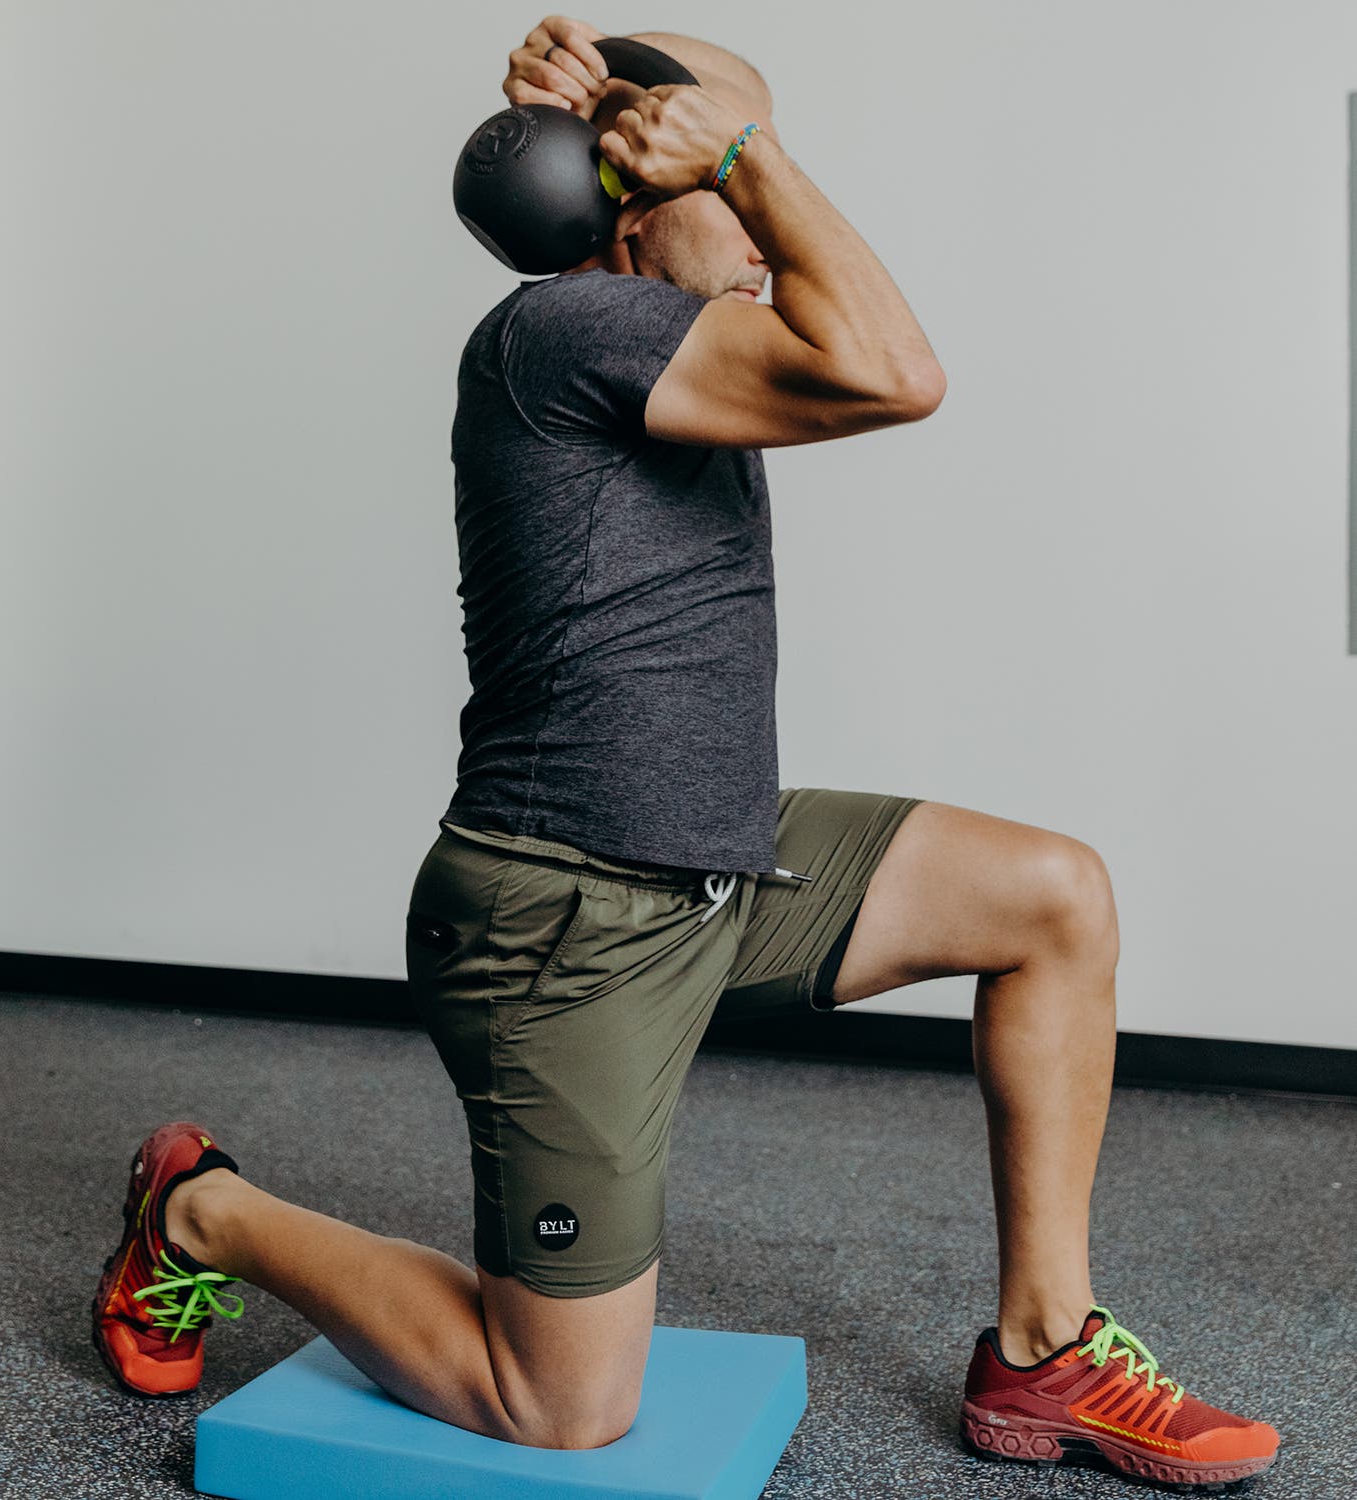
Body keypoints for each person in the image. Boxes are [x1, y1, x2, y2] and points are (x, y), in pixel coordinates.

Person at [91, 17, 1280, 1489]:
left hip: (712, 864)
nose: (773, 222)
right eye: (728, 186)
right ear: (636, 213)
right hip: (559, 922)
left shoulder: (679, 315)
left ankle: (1043, 1350)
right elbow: (899, 371)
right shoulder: (565, 332)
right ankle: (200, 1209)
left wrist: (633, 85)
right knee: (558, 1410)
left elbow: (743, 121)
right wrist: (731, 153)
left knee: (1054, 898)